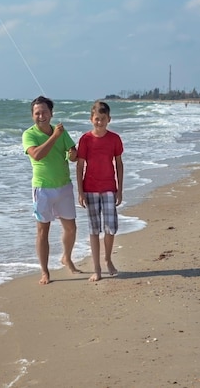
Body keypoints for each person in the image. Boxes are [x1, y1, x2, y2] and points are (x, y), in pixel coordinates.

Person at [22, 95, 81, 285]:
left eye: (45, 112)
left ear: (51, 113)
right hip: (42, 189)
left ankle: (67, 258)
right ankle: (45, 271)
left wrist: (72, 153)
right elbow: (37, 155)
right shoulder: (28, 135)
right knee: (42, 231)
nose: (41, 116)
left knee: (71, 228)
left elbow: (73, 156)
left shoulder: (61, 132)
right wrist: (55, 136)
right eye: (37, 113)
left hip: (64, 186)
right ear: (32, 116)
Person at [76, 100, 124, 282]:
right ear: (91, 119)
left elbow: (119, 164)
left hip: (110, 188)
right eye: (97, 119)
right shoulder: (85, 139)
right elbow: (80, 166)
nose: (99, 122)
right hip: (90, 189)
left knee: (111, 228)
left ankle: (108, 259)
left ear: (109, 119)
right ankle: (96, 268)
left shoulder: (115, 139)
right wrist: (80, 192)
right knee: (94, 229)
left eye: (103, 119)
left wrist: (120, 190)